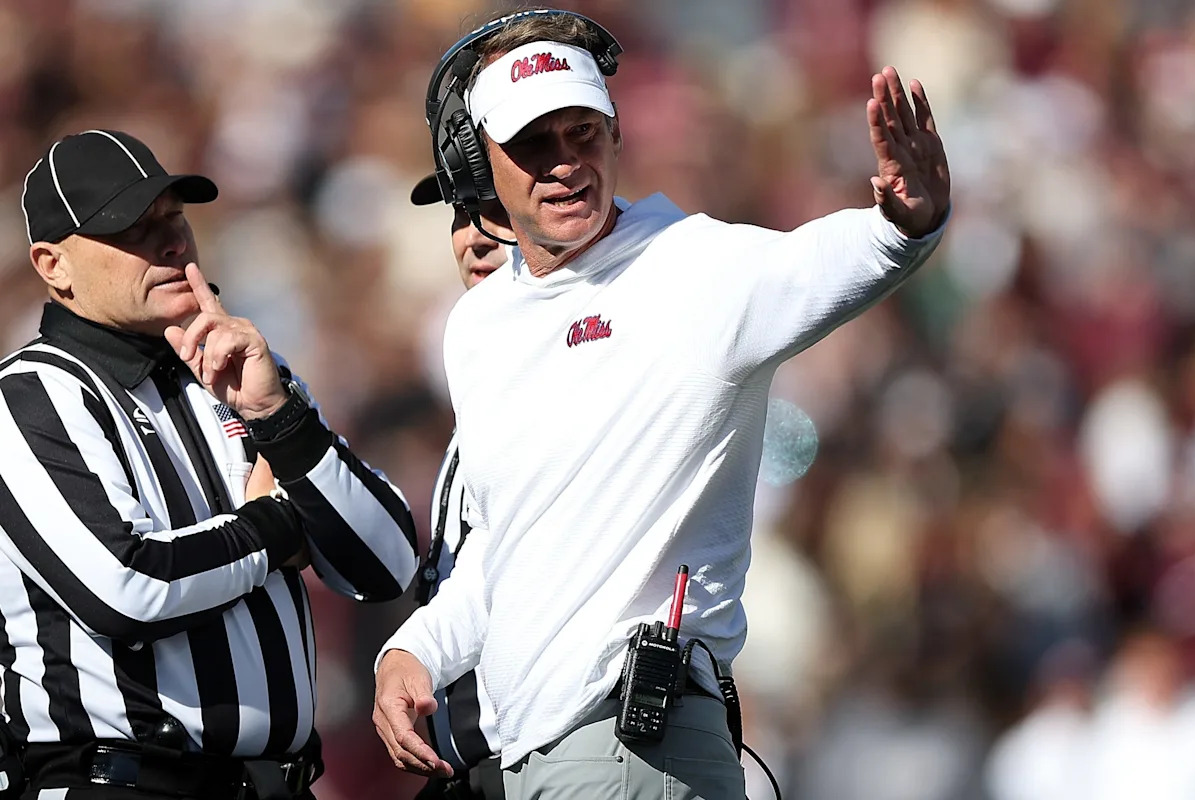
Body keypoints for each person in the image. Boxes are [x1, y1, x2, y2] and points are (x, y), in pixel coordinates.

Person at [374, 8, 951, 799]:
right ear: (482, 163)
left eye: (582, 133)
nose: (564, 163)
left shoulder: (692, 266)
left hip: (634, 746)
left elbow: (819, 262)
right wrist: (414, 651)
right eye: (533, 143)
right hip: (535, 758)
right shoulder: (478, 324)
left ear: (615, 135)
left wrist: (903, 221)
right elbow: (510, 548)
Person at [0, 129, 420, 800]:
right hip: (119, 783)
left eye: (174, 218)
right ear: (54, 265)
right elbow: (128, 588)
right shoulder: (29, 394)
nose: (171, 243)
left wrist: (280, 417)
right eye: (132, 228)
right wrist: (275, 529)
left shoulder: (240, 370)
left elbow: (387, 562)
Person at [401, 175, 514, 799]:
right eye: (461, 214)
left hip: (536, 756)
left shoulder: (591, 363)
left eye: (496, 211)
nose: (475, 238)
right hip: (472, 764)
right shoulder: (487, 376)